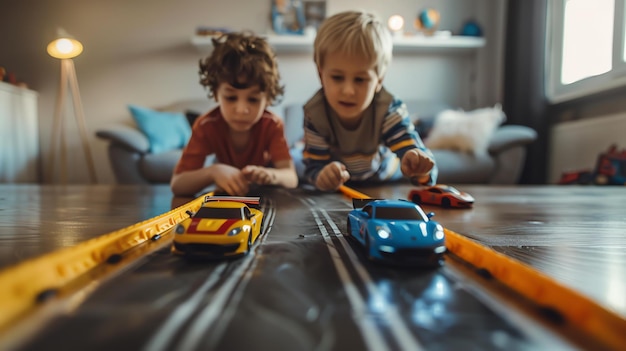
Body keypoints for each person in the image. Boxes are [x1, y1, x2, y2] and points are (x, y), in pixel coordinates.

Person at [301, 10, 438, 191]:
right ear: (320, 73)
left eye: (360, 79)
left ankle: (421, 123)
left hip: (383, 177)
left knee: (413, 131)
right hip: (344, 186)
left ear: (379, 80)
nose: (348, 91)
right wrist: (322, 177)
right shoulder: (315, 114)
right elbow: (312, 169)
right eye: (337, 77)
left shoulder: (388, 110)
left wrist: (419, 168)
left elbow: (425, 166)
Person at [171, 32, 298, 196]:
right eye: (231, 98)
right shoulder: (206, 125)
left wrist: (271, 175)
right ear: (216, 94)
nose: (241, 109)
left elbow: (291, 177)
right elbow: (178, 184)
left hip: (265, 195)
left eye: (253, 99)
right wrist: (213, 172)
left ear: (267, 99)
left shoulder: (272, 125)